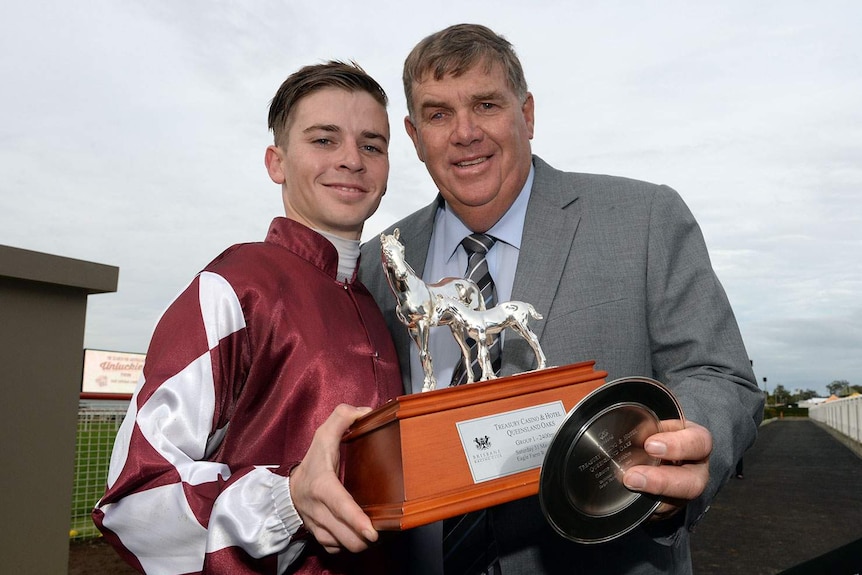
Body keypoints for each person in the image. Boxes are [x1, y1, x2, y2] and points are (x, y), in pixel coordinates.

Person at [358, 24, 765, 574]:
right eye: (438, 114)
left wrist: (673, 456)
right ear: (412, 135)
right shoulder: (377, 265)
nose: (465, 132)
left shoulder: (643, 219)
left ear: (526, 114)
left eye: (485, 104)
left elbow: (720, 375)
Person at [93, 61, 404, 574]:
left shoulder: (376, 301)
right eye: (324, 140)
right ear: (275, 162)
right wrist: (286, 503)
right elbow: (134, 499)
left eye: (371, 145)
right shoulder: (236, 285)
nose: (352, 160)